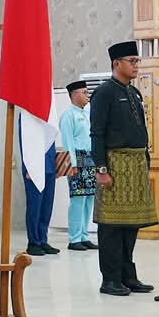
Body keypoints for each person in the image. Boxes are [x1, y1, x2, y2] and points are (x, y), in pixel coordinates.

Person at [91, 41, 157, 296]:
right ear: (116, 63)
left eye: (137, 61)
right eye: (132, 61)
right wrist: (101, 168)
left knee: (132, 224)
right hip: (115, 164)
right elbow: (96, 133)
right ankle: (110, 279)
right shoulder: (105, 93)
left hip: (136, 164)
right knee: (111, 225)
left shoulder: (134, 93)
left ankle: (128, 276)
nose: (136, 65)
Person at [59, 80, 98, 251]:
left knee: (89, 199)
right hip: (78, 160)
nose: (87, 95)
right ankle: (74, 238)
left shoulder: (88, 113)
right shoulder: (68, 115)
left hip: (90, 159)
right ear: (74, 94)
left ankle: (83, 235)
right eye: (84, 92)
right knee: (78, 199)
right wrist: (71, 164)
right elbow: (67, 142)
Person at [20, 120, 59, 256]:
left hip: (49, 166)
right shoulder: (27, 117)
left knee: (46, 206)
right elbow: (24, 144)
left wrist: (56, 165)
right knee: (34, 206)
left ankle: (43, 239)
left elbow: (51, 141)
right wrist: (27, 167)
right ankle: (33, 242)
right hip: (34, 168)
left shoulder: (48, 117)